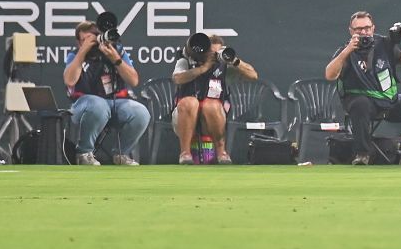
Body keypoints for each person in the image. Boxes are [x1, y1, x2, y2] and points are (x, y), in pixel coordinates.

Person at [324, 10, 401, 165]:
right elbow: (329, 75)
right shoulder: (345, 51)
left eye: (367, 28)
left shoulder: (384, 44)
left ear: (373, 28)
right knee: (361, 104)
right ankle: (362, 154)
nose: (364, 32)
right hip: (361, 103)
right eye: (358, 30)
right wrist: (347, 51)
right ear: (351, 31)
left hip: (388, 101)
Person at [62, 20, 151, 165]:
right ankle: (84, 153)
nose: (91, 42)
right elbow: (69, 80)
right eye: (85, 40)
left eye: (93, 38)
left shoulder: (116, 51)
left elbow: (134, 80)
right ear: (79, 43)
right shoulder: (75, 55)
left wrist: (115, 59)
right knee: (99, 105)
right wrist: (82, 52)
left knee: (141, 112)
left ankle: (121, 155)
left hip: (115, 102)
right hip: (84, 104)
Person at [172, 33, 258, 164]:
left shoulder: (224, 65)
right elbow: (177, 78)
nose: (214, 56)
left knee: (211, 105)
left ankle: (221, 152)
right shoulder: (186, 61)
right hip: (185, 117)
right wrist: (202, 68)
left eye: (218, 52)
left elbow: (253, 75)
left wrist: (234, 61)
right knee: (190, 102)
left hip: (213, 116)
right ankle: (185, 153)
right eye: (212, 52)